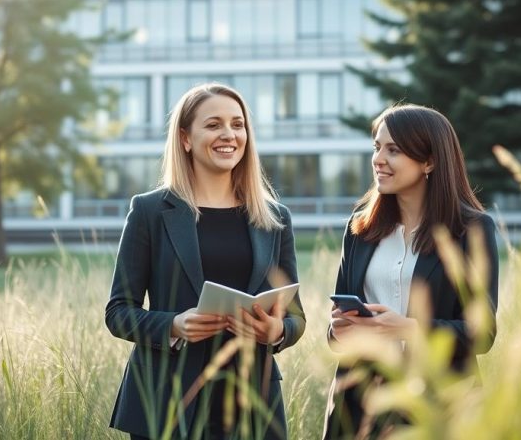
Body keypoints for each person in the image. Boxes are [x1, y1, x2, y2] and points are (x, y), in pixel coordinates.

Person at [105, 82, 305, 439]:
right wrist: (174, 325)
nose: (229, 134)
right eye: (213, 125)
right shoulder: (150, 211)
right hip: (168, 399)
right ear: (185, 138)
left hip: (252, 402)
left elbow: (296, 317)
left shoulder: (275, 218)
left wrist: (277, 331)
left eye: (237, 124)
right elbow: (119, 312)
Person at [323, 104, 498, 439]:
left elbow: (482, 332)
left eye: (394, 150)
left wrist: (407, 328)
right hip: (360, 404)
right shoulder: (359, 229)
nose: (378, 159)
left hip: (441, 403)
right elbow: (334, 331)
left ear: (429, 161)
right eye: (376, 147)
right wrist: (339, 330)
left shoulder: (471, 229)